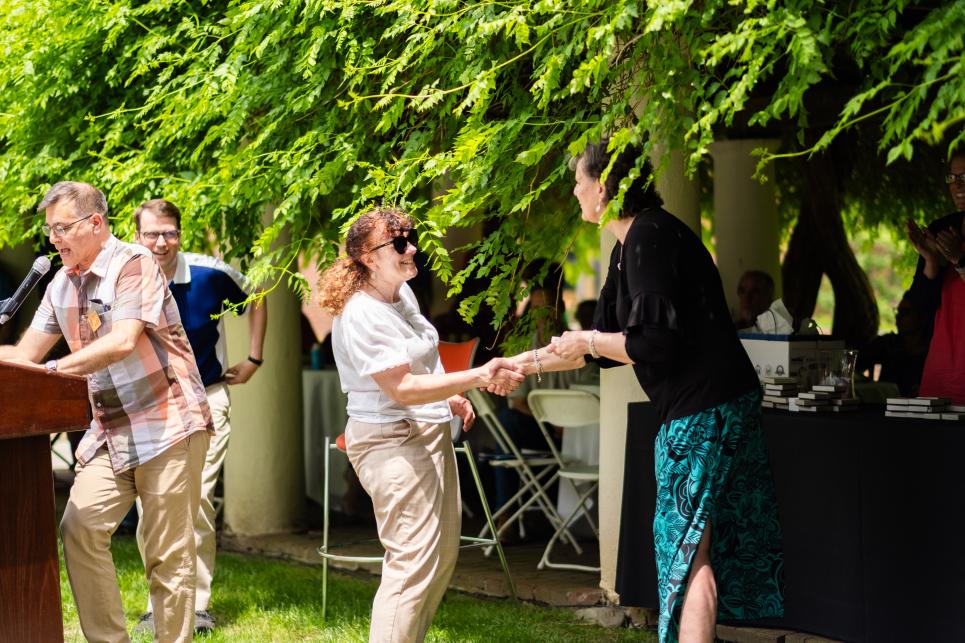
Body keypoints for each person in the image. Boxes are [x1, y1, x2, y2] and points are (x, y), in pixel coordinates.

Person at [508, 141, 784, 643]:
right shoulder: (627, 245)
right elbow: (595, 345)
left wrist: (589, 340)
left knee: (687, 546)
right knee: (692, 545)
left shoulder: (649, 237)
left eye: (579, 180)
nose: (574, 190)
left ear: (606, 186)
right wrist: (519, 366)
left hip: (707, 406)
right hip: (708, 403)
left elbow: (651, 343)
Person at [0, 181, 212, 641]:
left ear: (95, 223)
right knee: (79, 529)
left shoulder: (134, 263)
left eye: (62, 228)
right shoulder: (59, 282)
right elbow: (25, 355)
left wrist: (55, 370)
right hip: (112, 430)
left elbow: (120, 341)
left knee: (167, 556)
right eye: (49, 230)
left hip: (169, 422)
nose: (54, 239)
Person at [316, 207, 524, 643]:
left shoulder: (400, 293)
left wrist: (446, 396)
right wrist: (479, 375)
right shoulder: (362, 312)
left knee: (441, 555)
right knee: (412, 563)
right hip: (391, 440)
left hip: (425, 433)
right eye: (397, 243)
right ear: (369, 258)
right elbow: (402, 388)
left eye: (410, 238)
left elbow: (415, 371)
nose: (411, 248)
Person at [131, 198, 268, 634]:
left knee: (197, 503)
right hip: (147, 403)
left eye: (168, 232)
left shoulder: (211, 273)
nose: (160, 241)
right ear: (137, 236)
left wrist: (253, 359)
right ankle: (159, 604)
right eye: (151, 233)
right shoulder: (125, 277)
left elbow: (259, 296)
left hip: (207, 398)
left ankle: (198, 603)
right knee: (151, 504)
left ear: (180, 233)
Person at [906, 149, 965, 402]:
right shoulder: (942, 228)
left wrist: (959, 260)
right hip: (943, 369)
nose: (957, 185)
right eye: (952, 178)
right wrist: (930, 261)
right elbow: (922, 304)